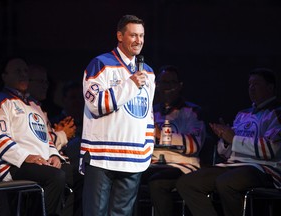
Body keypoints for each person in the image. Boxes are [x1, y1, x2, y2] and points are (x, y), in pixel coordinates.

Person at [176, 68, 281, 216]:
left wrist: (233, 138)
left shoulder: (276, 113)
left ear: (270, 87)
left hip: (263, 168)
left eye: (256, 84)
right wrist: (225, 140)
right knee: (186, 183)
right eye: (250, 84)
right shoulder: (243, 114)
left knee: (226, 182)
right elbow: (225, 153)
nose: (251, 88)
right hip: (234, 166)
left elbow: (271, 150)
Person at [80, 14, 155, 216]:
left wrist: (147, 148)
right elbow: (96, 104)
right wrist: (130, 84)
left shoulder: (148, 72)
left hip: (134, 157)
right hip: (102, 156)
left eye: (142, 36)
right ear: (120, 36)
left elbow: (147, 115)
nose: (138, 41)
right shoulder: (100, 64)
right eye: (133, 35)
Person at [0, 57, 66, 216]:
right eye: (17, 71)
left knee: (75, 174)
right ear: (4, 76)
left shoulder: (35, 105)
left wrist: (54, 155)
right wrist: (27, 157)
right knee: (57, 177)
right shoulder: (0, 100)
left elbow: (47, 138)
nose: (23, 74)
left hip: (41, 162)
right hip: (15, 165)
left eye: (25, 71)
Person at [140, 65, 206, 216]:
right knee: (124, 177)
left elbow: (194, 145)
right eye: (163, 83)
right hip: (151, 165)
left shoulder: (192, 111)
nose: (167, 87)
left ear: (179, 86)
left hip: (182, 167)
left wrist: (161, 135)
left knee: (157, 183)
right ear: (156, 86)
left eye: (171, 83)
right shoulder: (150, 110)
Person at [27, 64, 83, 216]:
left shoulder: (38, 108)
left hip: (50, 159)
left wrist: (56, 144)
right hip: (28, 162)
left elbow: (46, 140)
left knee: (83, 172)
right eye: (40, 82)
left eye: (46, 82)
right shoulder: (20, 107)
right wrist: (62, 135)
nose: (45, 86)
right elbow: (35, 142)